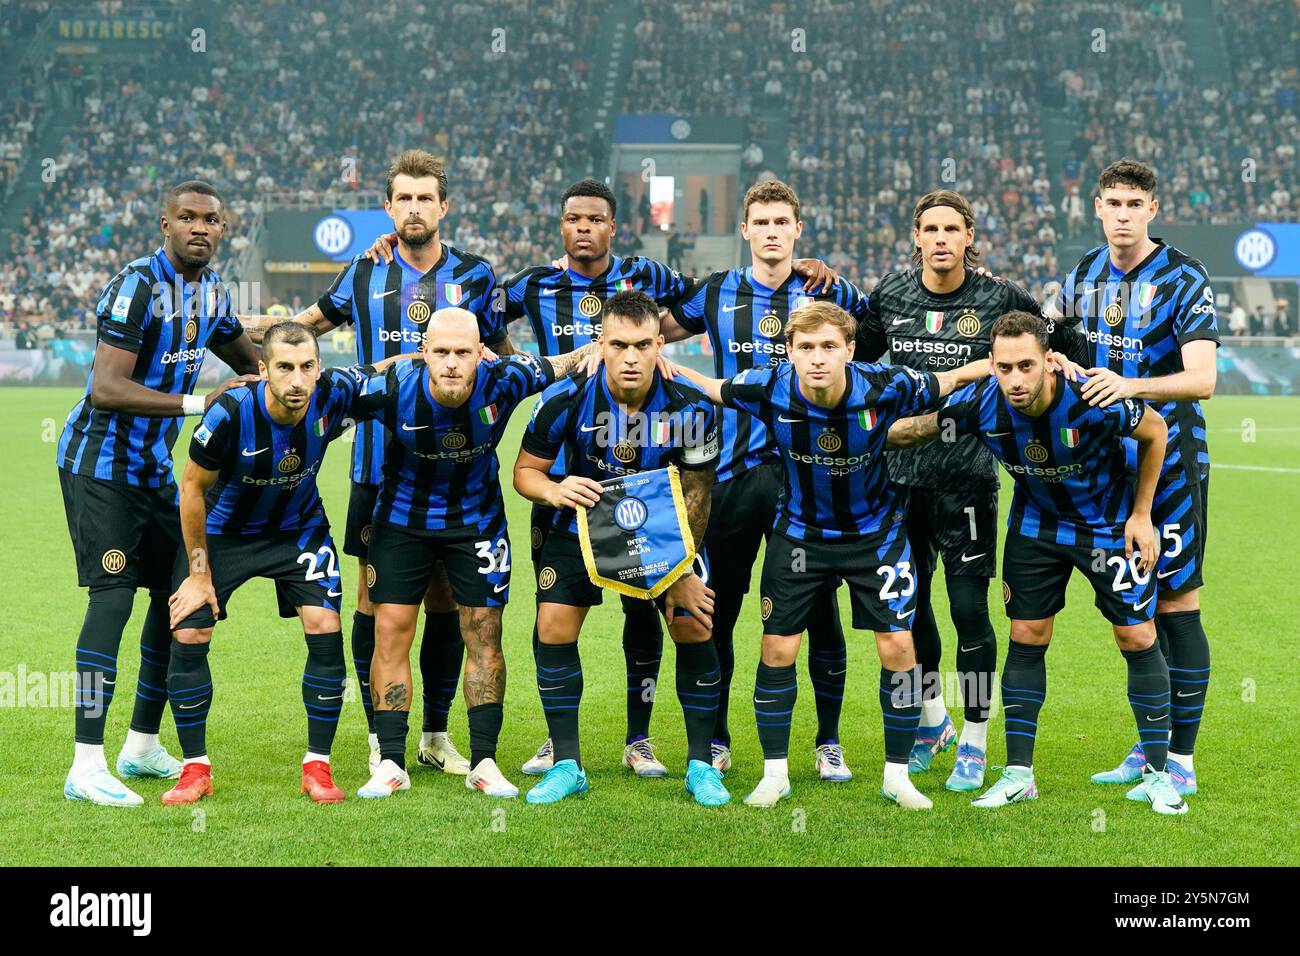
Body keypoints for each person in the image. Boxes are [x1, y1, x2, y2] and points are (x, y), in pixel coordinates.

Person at [241, 150, 513, 777]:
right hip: (377, 474)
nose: (414, 209)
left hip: (458, 475)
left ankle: (438, 732)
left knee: (450, 604)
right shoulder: (363, 274)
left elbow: (499, 353)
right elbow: (300, 329)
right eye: (403, 199)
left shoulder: (476, 276)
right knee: (377, 605)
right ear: (387, 209)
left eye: (426, 198)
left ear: (443, 207)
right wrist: (230, 335)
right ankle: (380, 736)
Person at [667, 300, 990, 809]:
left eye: (828, 347)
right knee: (778, 650)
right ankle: (775, 775)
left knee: (898, 650)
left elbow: (949, 380)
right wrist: (656, 362)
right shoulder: (769, 386)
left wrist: (999, 362)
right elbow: (709, 387)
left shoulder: (885, 386)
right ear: (791, 352)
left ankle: (897, 775)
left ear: (850, 350)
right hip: (799, 537)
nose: (817, 358)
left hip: (875, 537)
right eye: (806, 348)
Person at [888, 310, 1186, 814]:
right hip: (1035, 529)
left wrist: (1141, 514)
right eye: (1003, 368)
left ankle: (1160, 774)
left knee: (1136, 635)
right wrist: (847, 420)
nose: (1015, 379)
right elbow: (916, 431)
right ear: (991, 365)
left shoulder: (1091, 395)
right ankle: (1019, 774)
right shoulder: (982, 404)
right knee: (1027, 637)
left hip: (1108, 527)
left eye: (1026, 365)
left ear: (1049, 361)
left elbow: (1155, 430)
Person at [852, 189, 1088, 790]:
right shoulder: (890, 294)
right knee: (908, 610)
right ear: (916, 236)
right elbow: (859, 363)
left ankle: (976, 742)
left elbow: (1051, 346)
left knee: (968, 611)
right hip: (896, 483)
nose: (939, 239)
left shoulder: (1000, 296)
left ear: (967, 237)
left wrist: (1071, 334)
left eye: (950, 229)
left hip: (968, 480)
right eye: (929, 229)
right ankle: (933, 720)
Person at [58, 180, 260, 806]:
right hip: (98, 469)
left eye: (212, 220)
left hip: (151, 472)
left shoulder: (212, 289)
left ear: (222, 230)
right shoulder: (136, 285)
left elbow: (242, 354)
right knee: (111, 600)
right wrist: (203, 401)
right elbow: (106, 389)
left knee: (173, 598)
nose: (200, 227)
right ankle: (85, 764)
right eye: (188, 217)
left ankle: (141, 745)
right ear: (164, 224)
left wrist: (271, 380)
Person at [657, 179, 859, 780]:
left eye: (782, 222)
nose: (772, 231)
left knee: (819, 607)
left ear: (798, 229)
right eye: (761, 222)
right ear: (745, 230)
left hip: (809, 476)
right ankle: (716, 739)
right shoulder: (716, 292)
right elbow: (657, 329)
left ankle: (827, 742)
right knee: (717, 607)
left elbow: (873, 344)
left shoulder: (832, 291)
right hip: (732, 477)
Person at [351, 308, 594, 799]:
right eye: (440, 352)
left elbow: (569, 361)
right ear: (424, 354)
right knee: (392, 630)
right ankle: (391, 762)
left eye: (463, 352)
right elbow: (317, 388)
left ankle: (483, 760)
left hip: (477, 522)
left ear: (482, 353)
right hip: (400, 521)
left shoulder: (508, 378)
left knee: (485, 633)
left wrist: (613, 347)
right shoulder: (392, 385)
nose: (452, 364)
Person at [161, 323, 410, 804]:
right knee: (190, 628)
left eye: (306, 367)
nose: (297, 380)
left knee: (324, 622)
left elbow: (383, 369)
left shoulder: (333, 392)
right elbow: (191, 490)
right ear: (262, 370)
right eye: (285, 368)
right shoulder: (230, 414)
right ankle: (195, 769)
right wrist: (198, 573)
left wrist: (433, 356)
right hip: (223, 535)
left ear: (319, 368)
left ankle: (318, 765)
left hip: (299, 530)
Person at [513, 290, 729, 807]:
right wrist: (554, 489)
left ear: (660, 344)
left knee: (695, 622)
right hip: (577, 525)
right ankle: (567, 764)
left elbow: (698, 493)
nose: (630, 357)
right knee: (553, 627)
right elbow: (524, 472)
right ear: (600, 344)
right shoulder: (564, 398)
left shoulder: (690, 407)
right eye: (618, 345)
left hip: (661, 528)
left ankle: (702, 767)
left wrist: (681, 570)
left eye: (640, 345)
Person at [1052, 159, 1218, 797]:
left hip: (1172, 464)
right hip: (1106, 468)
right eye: (1112, 202)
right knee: (1134, 614)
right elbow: (1065, 355)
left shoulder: (1183, 277)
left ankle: (1181, 759)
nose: (1122, 214)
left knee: (1178, 603)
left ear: (1152, 209)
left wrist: (1132, 384)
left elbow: (1203, 378)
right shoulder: (1082, 276)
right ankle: (1149, 747)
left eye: (1133, 203)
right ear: (1096, 207)